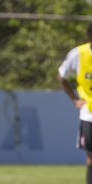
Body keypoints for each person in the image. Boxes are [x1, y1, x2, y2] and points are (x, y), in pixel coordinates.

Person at [57, 22, 92, 184]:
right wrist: (74, 99)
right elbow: (61, 75)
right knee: (91, 157)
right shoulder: (78, 54)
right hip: (89, 115)